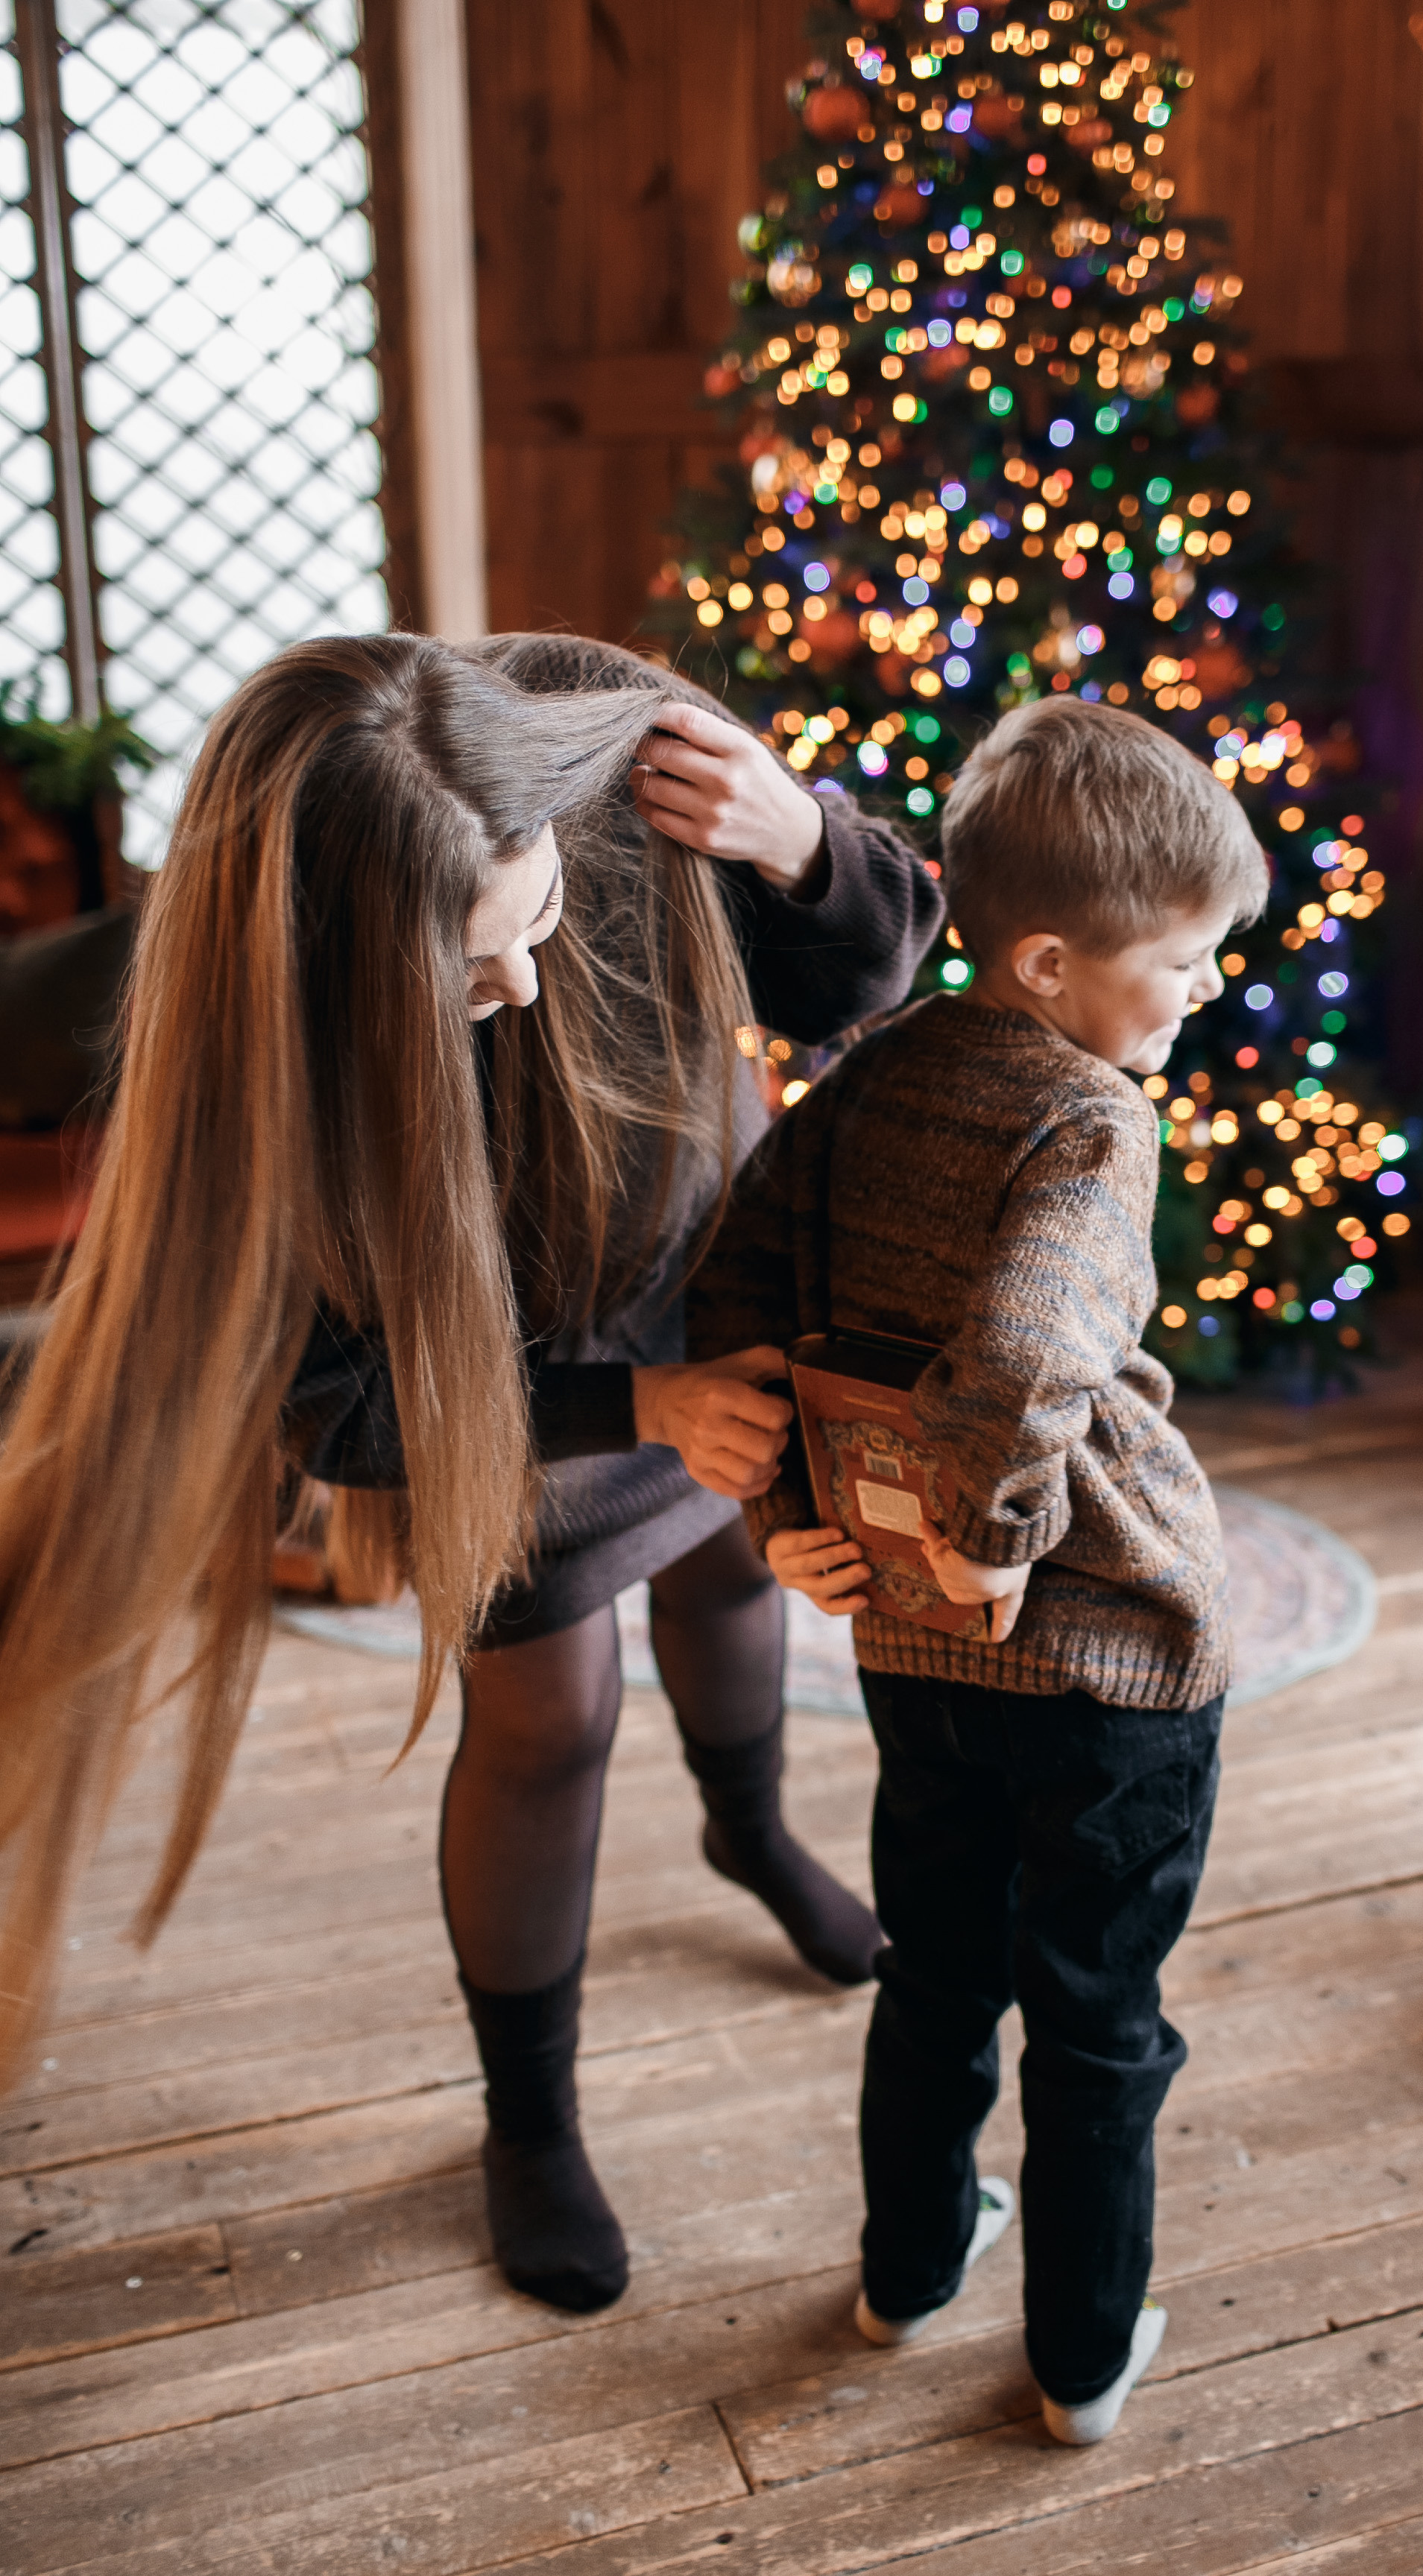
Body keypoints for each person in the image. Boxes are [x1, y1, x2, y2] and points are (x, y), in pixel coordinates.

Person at [0, 630, 941, 2317]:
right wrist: (632, 1405)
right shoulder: (262, 1081)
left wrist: (803, 842)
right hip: (504, 1400)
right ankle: (528, 2111)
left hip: (705, 1298)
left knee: (736, 1573)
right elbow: (338, 1418)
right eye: (468, 969)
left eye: (535, 923)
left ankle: (750, 1833)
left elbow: (861, 979)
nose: (520, 985)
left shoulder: (601, 770)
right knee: (549, 1721)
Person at [691, 696, 1267, 2443]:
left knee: (938, 1962)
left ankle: (908, 2266)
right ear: (1042, 960)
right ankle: (1083, 2354)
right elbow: (1028, 1356)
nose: (1197, 993)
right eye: (1179, 962)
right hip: (1105, 1662)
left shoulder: (869, 1069)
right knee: (1097, 2014)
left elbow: (733, 1297)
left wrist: (785, 1506)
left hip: (912, 1643)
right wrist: (988, 1527)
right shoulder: (1092, 1117)